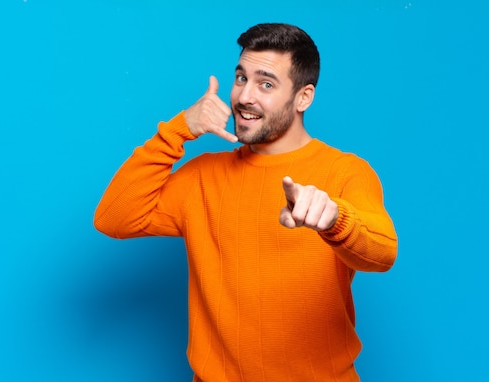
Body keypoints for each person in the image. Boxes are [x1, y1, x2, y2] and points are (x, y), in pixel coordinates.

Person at [94, 23, 398, 382]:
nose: (244, 97)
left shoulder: (345, 172)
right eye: (241, 78)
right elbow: (114, 217)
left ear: (303, 97)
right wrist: (179, 129)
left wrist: (335, 222)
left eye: (266, 84)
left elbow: (382, 253)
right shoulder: (203, 177)